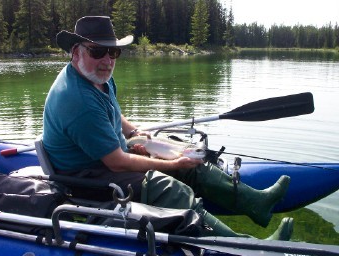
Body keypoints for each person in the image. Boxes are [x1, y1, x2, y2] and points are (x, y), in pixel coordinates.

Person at [43, 16, 293, 240]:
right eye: (98, 51)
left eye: (113, 52)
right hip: (87, 176)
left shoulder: (96, 77)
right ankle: (244, 247)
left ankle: (255, 202)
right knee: (170, 188)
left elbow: (114, 114)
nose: (108, 60)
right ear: (76, 52)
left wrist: (133, 132)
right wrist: (170, 167)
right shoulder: (77, 100)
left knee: (185, 152)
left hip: (104, 157)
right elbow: (117, 162)